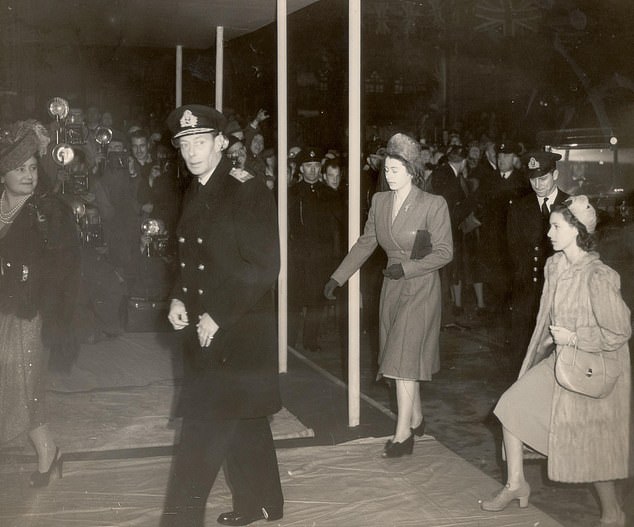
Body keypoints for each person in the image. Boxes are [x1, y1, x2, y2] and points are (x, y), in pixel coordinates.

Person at [161, 105, 283, 527]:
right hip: (206, 326)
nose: (192, 152)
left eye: (200, 142)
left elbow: (264, 267)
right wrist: (178, 297)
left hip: (238, 328)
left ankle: (178, 521)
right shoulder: (196, 187)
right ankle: (263, 503)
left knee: (200, 434)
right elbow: (193, 257)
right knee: (245, 419)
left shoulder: (245, 189)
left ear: (221, 143)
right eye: (184, 144)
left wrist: (218, 315)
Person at [481, 196, 631, 527]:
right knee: (510, 406)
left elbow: (620, 332)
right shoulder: (555, 266)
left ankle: (613, 513)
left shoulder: (599, 276)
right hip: (560, 361)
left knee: (590, 446)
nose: (548, 233)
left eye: (556, 226)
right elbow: (545, 319)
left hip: (591, 370)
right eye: (550, 225)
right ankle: (517, 483)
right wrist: (546, 346)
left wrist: (576, 338)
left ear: (577, 231)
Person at [324, 133, 453, 457]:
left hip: (421, 287)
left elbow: (445, 252)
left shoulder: (432, 204)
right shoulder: (380, 202)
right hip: (391, 288)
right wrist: (338, 277)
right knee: (399, 359)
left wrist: (408, 268)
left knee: (400, 361)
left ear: (412, 170)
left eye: (395, 169)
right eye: (387, 169)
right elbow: (367, 243)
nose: (389, 175)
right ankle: (417, 416)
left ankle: (403, 435)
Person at [0, 120, 80, 487]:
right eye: (19, 169)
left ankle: (48, 452)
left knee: (23, 381)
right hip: (3, 309)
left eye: (33, 167)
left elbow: (66, 266)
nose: (29, 175)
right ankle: (50, 451)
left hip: (31, 313)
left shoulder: (48, 212)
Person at [507, 151, 569, 373]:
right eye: (533, 179)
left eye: (543, 178)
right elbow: (513, 251)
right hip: (527, 294)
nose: (537, 184)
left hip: (560, 294)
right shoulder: (518, 207)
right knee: (522, 354)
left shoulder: (569, 206)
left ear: (555, 175)